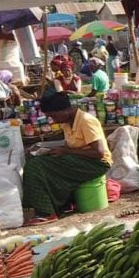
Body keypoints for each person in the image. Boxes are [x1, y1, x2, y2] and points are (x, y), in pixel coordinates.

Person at [22, 92, 110, 225]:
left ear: (65, 110)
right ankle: (58, 206)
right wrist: (50, 151)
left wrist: (66, 151)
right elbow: (70, 145)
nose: (54, 120)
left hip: (96, 164)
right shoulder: (68, 122)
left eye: (54, 116)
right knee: (38, 162)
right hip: (81, 160)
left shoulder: (86, 120)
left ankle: (46, 213)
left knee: (36, 166)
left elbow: (99, 152)